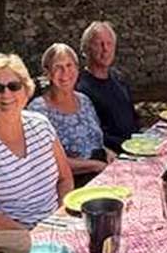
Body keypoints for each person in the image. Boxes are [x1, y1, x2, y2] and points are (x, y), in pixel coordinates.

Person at [0, 53, 74, 230]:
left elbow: (65, 179)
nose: (6, 94)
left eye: (14, 86)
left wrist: (62, 216)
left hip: (58, 225)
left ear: (26, 91)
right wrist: (31, 237)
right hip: (11, 241)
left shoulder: (41, 125)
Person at [27, 43, 114, 184]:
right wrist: (95, 166)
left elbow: (94, 140)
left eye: (69, 65)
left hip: (100, 172)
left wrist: (108, 153)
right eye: (58, 67)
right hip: (70, 183)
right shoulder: (38, 110)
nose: (65, 72)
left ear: (77, 69)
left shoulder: (84, 100)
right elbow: (46, 162)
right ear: (47, 73)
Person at [75, 21, 139, 152]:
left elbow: (133, 117)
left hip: (137, 148)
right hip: (113, 155)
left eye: (109, 44)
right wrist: (128, 145)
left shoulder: (118, 78)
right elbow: (92, 134)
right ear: (86, 49)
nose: (106, 49)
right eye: (99, 44)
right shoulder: (81, 89)